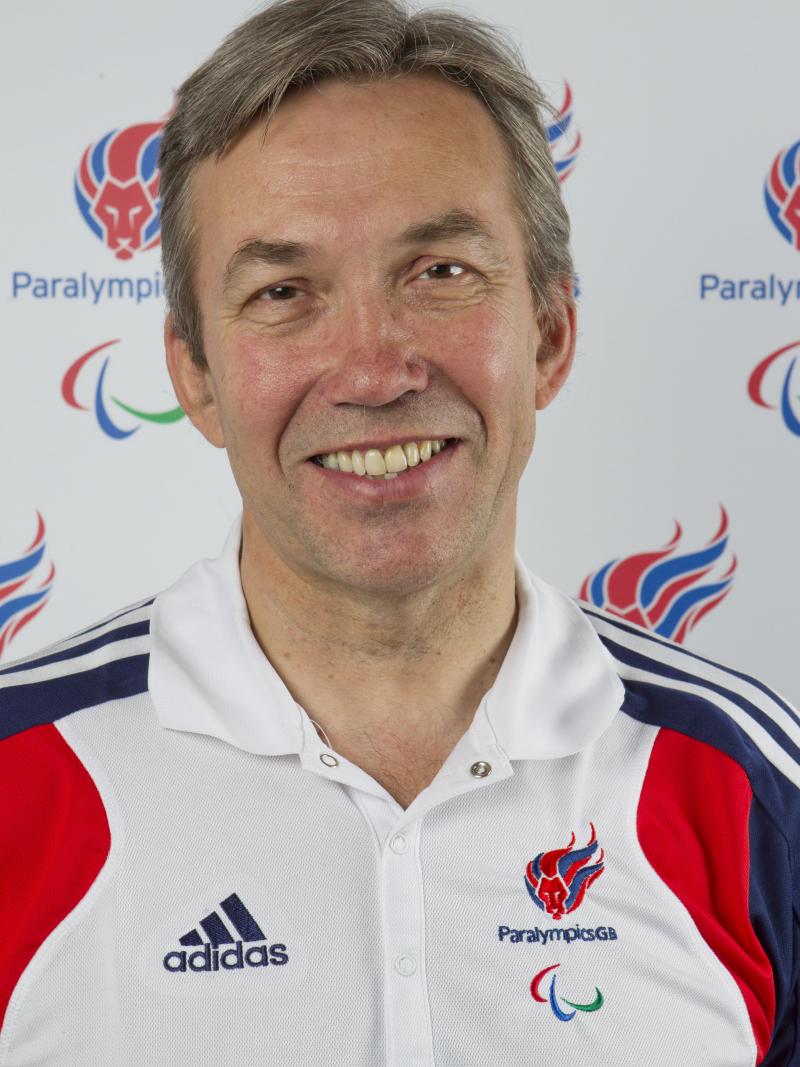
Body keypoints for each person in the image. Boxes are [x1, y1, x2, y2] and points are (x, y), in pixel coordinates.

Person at [0, 0, 797, 1062]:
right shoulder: (20, 779)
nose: (374, 370)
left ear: (549, 333)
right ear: (193, 374)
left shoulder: (752, 787)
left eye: (440, 273)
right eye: (283, 291)